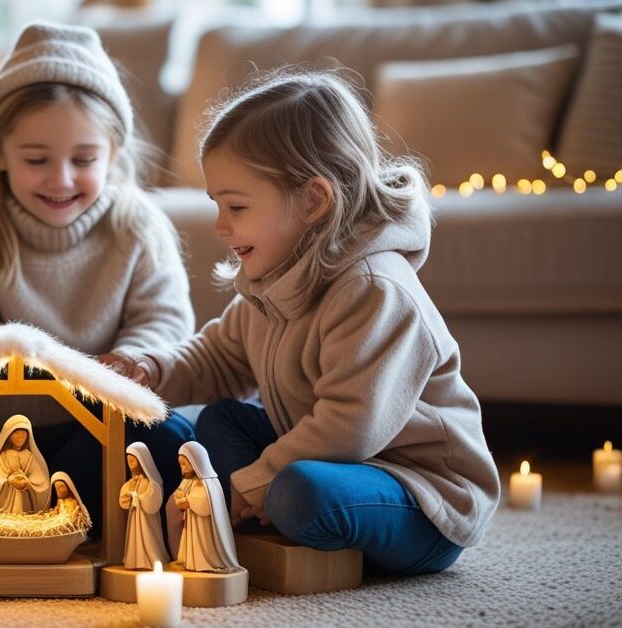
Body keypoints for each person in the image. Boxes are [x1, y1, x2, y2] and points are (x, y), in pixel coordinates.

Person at [114, 72, 500, 575]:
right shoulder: (274, 279)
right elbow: (219, 356)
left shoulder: (375, 289)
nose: (220, 226)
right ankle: (271, 521)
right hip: (326, 458)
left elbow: (350, 426)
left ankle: (284, 523)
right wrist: (149, 369)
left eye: (237, 206)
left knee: (301, 492)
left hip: (418, 495)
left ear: (313, 202)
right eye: (218, 205)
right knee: (219, 421)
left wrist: (252, 483)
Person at [0, 21, 196, 544]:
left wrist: (133, 357)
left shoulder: (140, 228)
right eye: (36, 160)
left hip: (95, 430)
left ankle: (68, 520)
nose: (62, 178)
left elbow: (165, 319)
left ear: (113, 151)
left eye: (84, 160)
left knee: (174, 440)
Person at [172, 442, 239, 573]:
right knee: (192, 545)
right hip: (192, 523)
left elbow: (206, 505)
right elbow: (179, 493)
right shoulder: (188, 480)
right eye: (181, 464)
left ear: (196, 461)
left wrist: (188, 500)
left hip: (206, 527)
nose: (183, 469)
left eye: (185, 464)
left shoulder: (209, 482)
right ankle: (192, 563)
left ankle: (207, 564)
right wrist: (179, 497)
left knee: (204, 544)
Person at [0, 414, 51, 513]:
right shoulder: (2, 456)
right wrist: (8, 481)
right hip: (4, 507)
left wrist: (28, 483)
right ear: (8, 436)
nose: (20, 438)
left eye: (23, 434)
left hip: (26, 506)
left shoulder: (30, 457)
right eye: (16, 434)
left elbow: (41, 481)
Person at [119, 442, 169, 570]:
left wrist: (137, 497)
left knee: (149, 537)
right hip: (135, 516)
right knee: (135, 538)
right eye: (128, 460)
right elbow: (124, 499)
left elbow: (154, 499)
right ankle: (136, 560)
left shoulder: (151, 482)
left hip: (147, 518)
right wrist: (129, 494)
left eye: (133, 459)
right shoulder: (131, 482)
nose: (130, 462)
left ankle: (151, 558)